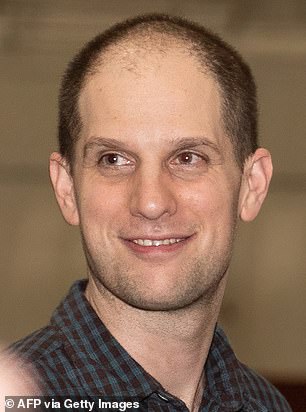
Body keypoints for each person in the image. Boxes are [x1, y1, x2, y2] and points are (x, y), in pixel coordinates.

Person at [8, 13, 291, 411]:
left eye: (188, 158)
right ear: (67, 189)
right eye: (113, 159)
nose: (151, 202)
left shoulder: (266, 405)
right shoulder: (23, 400)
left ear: (252, 185)